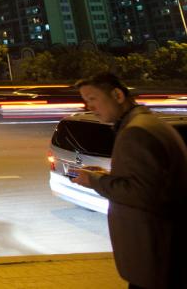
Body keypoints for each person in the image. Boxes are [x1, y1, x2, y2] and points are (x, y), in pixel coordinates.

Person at [72, 72, 187, 289]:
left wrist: (95, 180)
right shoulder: (146, 123)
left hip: (154, 254)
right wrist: (106, 177)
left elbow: (142, 193)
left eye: (93, 99)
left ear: (117, 95)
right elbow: (148, 181)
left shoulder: (137, 132)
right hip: (161, 253)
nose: (90, 107)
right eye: (86, 101)